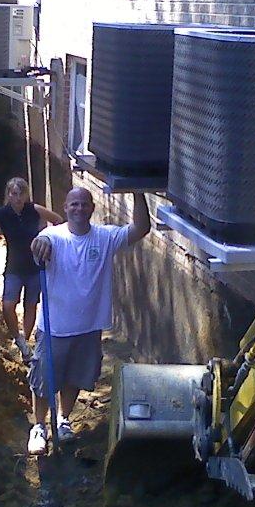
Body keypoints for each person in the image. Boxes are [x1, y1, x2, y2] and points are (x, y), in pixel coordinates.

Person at [25, 187, 150, 455]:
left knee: (75, 377)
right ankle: (38, 427)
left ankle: (63, 419)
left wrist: (138, 191)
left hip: (89, 327)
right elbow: (39, 243)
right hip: (55, 327)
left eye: (84, 204)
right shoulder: (53, 236)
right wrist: (40, 245)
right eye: (74, 205)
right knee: (45, 380)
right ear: (65, 207)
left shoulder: (105, 237)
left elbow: (141, 228)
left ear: (92, 208)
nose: (79, 209)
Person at [0, 178, 62, 362]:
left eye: (21, 193)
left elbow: (58, 220)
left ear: (26, 194)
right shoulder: (3, 214)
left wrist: (49, 239)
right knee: (8, 305)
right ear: (8, 195)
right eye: (14, 194)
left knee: (30, 305)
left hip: (35, 266)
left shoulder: (34, 210)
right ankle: (18, 338)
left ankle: (25, 344)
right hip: (13, 266)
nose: (18, 198)